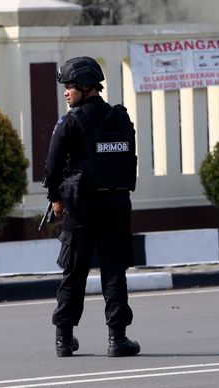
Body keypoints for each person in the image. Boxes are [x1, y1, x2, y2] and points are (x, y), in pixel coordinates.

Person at [43, 56, 141, 358]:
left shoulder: (71, 122)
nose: (66, 92)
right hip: (115, 204)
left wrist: (55, 199)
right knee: (114, 272)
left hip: (82, 208)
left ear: (86, 87)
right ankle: (117, 339)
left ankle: (64, 339)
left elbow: (52, 165)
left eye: (70, 86)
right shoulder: (120, 118)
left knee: (74, 272)